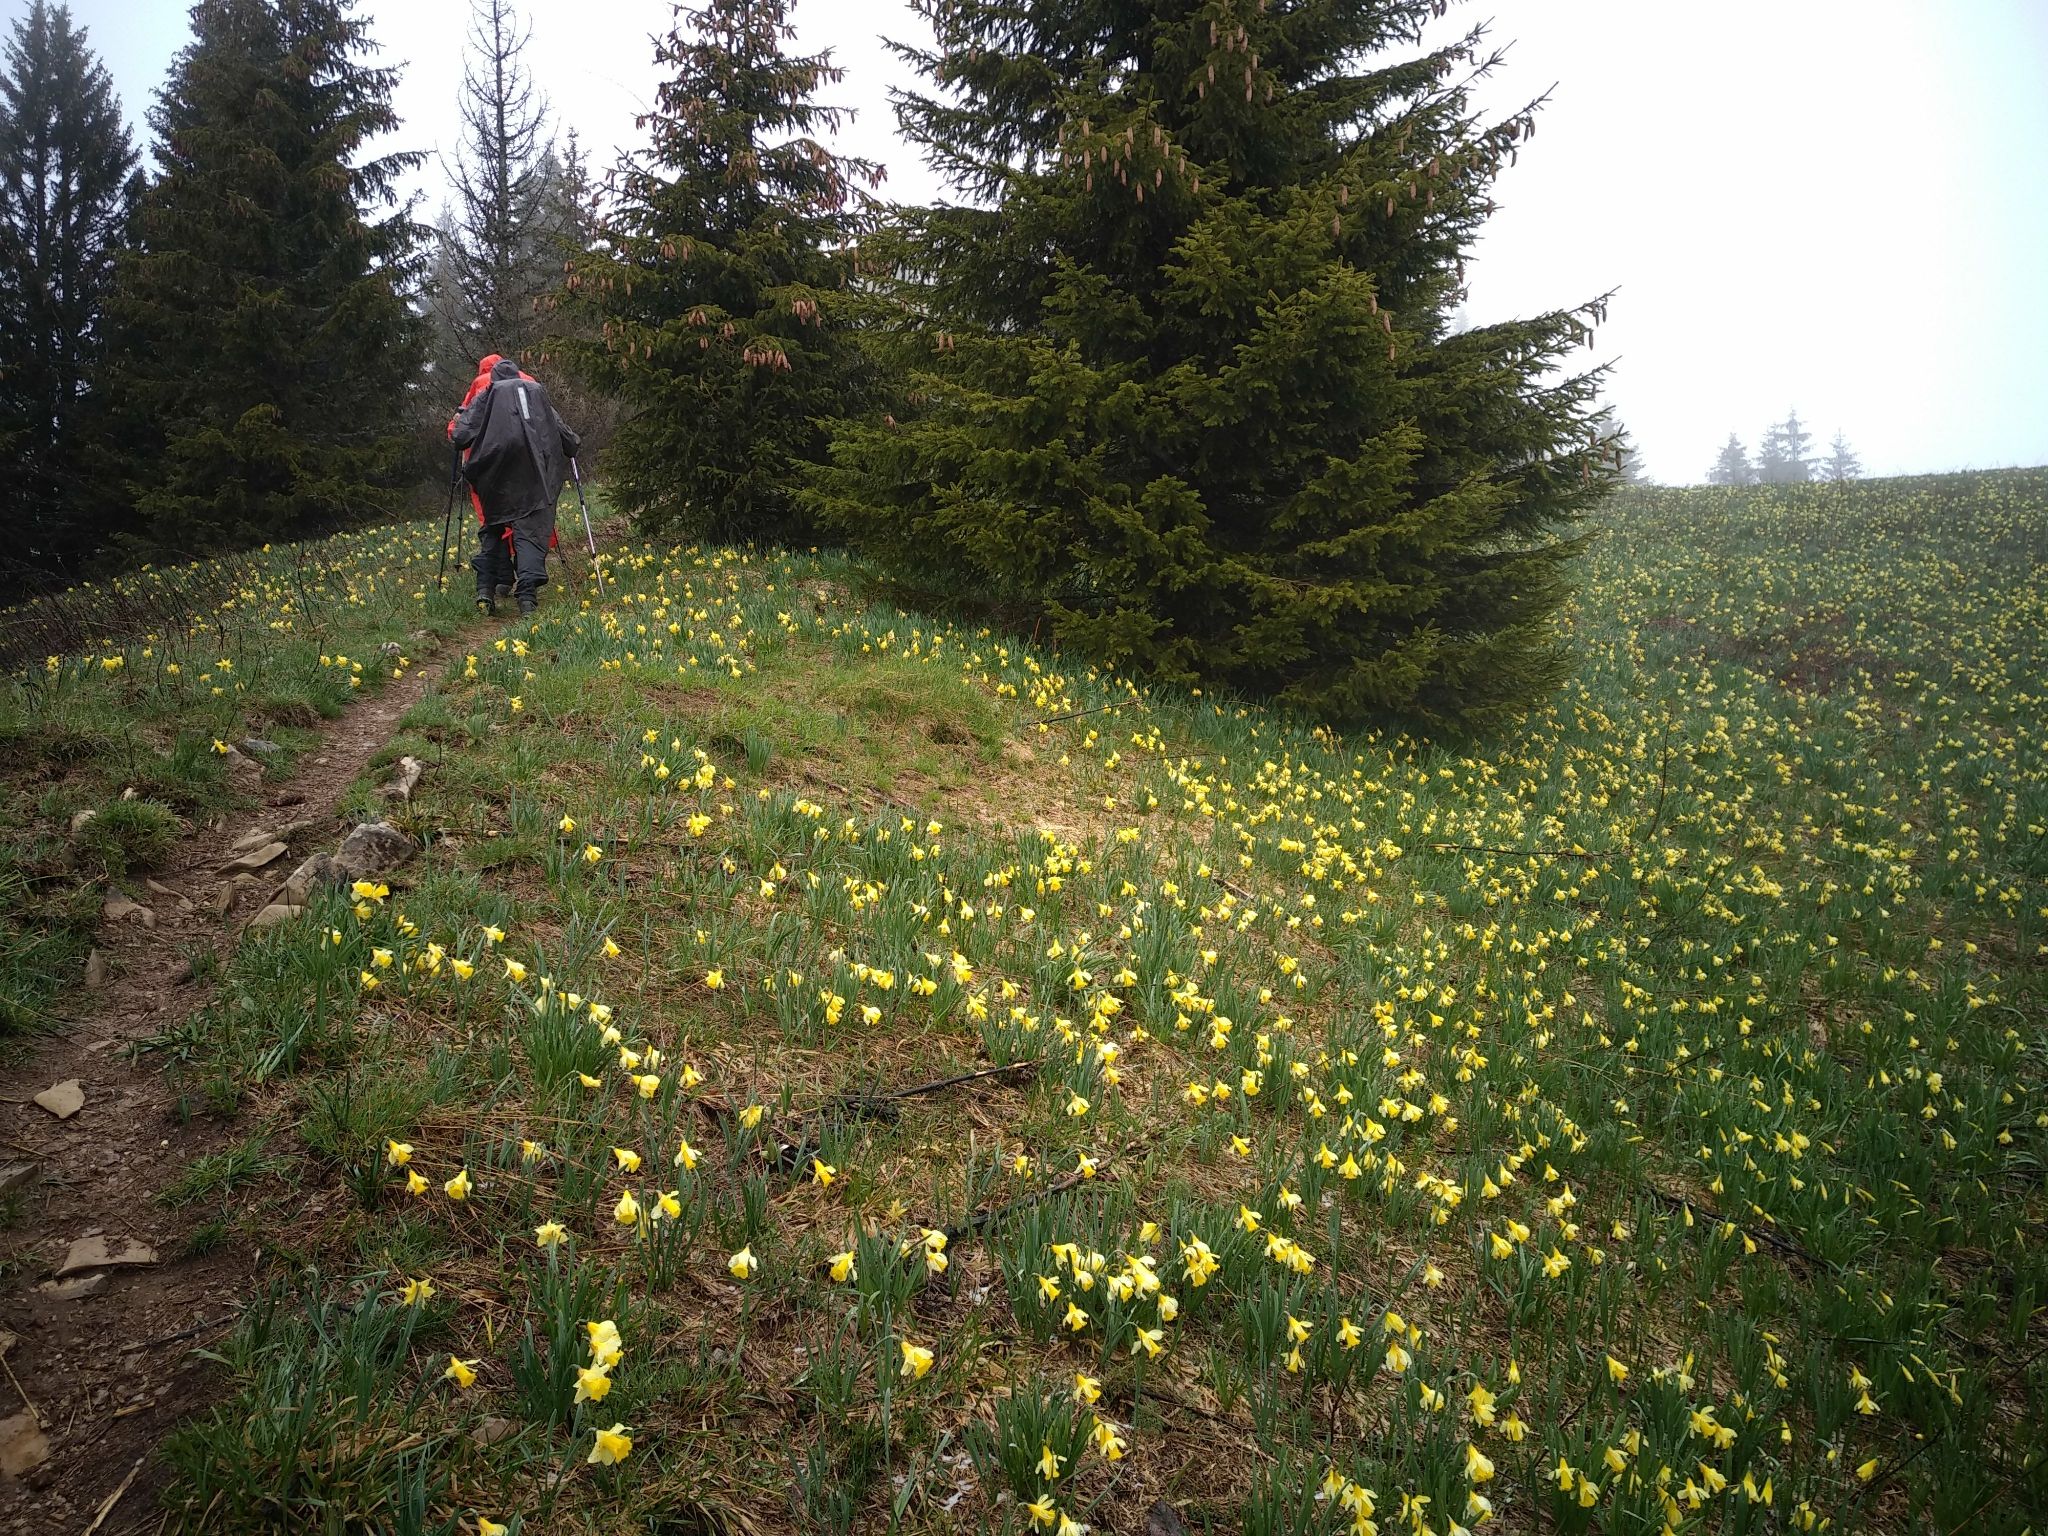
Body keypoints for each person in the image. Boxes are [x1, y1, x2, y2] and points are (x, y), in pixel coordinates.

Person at [450, 356, 582, 616]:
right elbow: (567, 438)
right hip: (533, 477)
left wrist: (460, 422)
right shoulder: (536, 393)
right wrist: (571, 444)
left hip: (494, 477)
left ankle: (485, 589)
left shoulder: (487, 394)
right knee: (529, 532)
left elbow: (460, 436)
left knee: (493, 529)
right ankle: (527, 598)